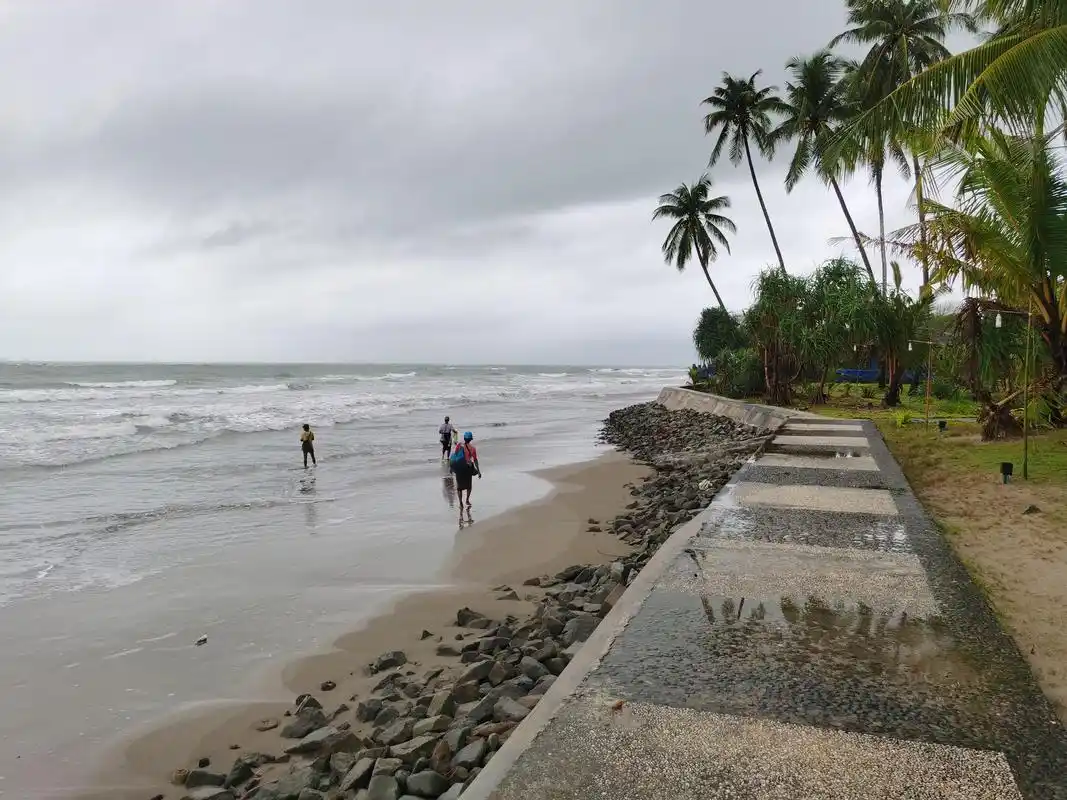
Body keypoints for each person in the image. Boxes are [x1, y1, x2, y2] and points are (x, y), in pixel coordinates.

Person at [451, 431, 481, 511]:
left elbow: (455, 456)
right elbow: (475, 460)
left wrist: (452, 467)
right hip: (468, 467)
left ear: (464, 438)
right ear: (471, 439)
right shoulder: (472, 449)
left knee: (459, 487)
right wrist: (478, 471)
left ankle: (460, 502)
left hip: (459, 467)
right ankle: (467, 500)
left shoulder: (459, 445)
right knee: (468, 486)